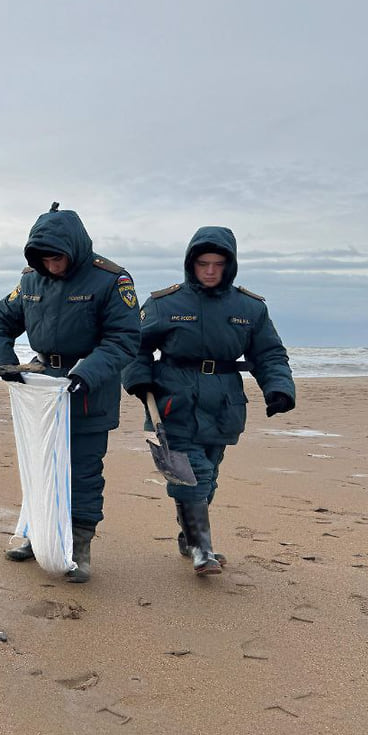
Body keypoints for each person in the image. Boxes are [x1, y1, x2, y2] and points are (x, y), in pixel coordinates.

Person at [122, 226, 295, 574]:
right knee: (192, 475)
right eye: (204, 263)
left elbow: (270, 354)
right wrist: (138, 378)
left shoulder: (250, 307)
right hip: (172, 401)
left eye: (218, 263)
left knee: (209, 475)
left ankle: (189, 535)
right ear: (191, 263)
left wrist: (279, 388)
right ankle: (203, 549)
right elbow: (133, 344)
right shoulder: (164, 303)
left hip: (224, 403)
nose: (211, 270)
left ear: (230, 265)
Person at [0, 203, 140, 583]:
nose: (52, 265)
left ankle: (79, 545)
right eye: (44, 259)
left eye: (57, 258)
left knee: (83, 472)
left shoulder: (112, 280)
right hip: (40, 389)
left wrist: (85, 373)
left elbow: (123, 340)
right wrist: (6, 363)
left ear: (73, 250)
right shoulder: (30, 281)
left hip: (89, 388)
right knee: (40, 466)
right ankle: (38, 535)